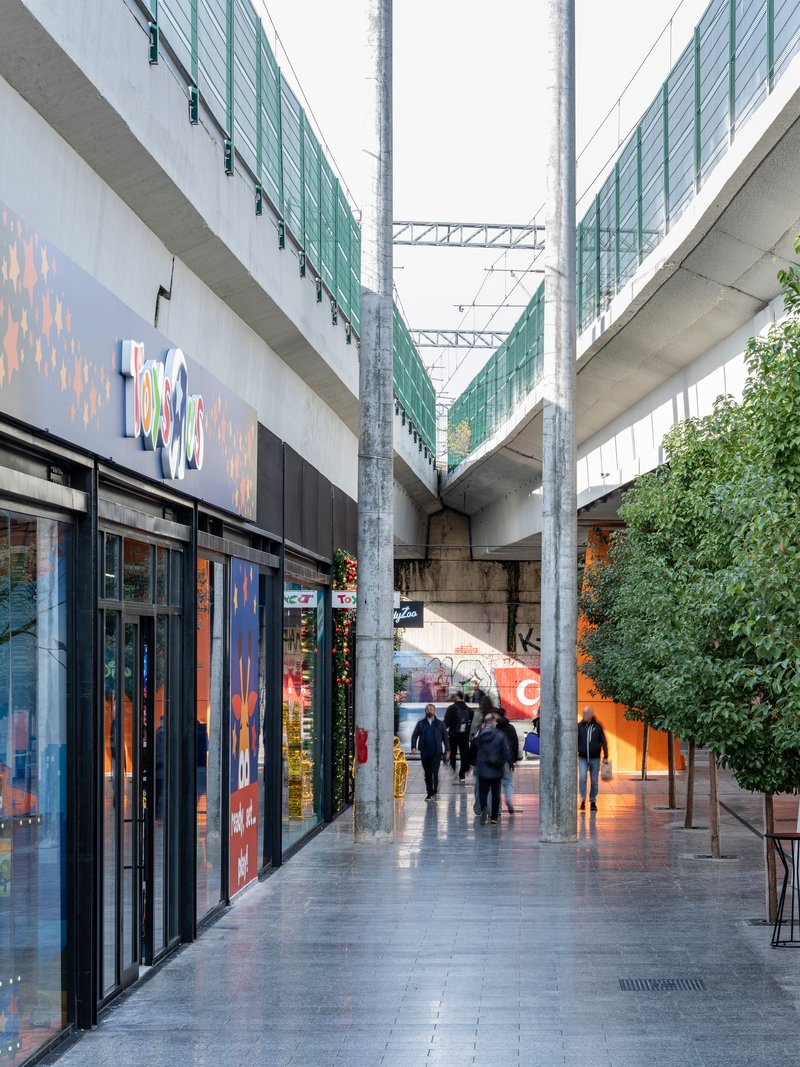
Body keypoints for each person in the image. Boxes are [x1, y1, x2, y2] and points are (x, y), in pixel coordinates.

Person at [473, 712, 510, 824]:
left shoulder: (480, 734)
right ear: (493, 722)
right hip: (496, 770)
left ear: (485, 723)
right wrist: (506, 761)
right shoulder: (500, 735)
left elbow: (473, 742)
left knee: (483, 792)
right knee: (495, 793)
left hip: (483, 769)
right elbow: (506, 752)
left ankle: (484, 807)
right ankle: (494, 817)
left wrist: (480, 730)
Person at [411, 703, 450, 801]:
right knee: (427, 774)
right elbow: (414, 735)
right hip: (425, 752)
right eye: (427, 709)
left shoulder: (440, 724)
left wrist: (447, 750)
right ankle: (429, 793)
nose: (429, 711)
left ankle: (435, 792)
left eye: (431, 709)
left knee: (435, 773)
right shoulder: (421, 723)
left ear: (434, 711)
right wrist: (413, 747)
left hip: (436, 752)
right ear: (425, 711)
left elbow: (445, 738)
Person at [577, 704, 609, 812]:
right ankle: (583, 800)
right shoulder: (579, 726)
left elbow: (604, 741)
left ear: (591, 714)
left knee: (594, 781)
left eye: (586, 713)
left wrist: (606, 755)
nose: (584, 715)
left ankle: (593, 801)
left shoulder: (598, 727)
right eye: (583, 713)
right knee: (582, 778)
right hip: (582, 758)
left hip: (595, 758)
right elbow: (575, 741)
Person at [495, 706, 519, 814]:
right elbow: (515, 744)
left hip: (495, 759)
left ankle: (498, 808)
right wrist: (513, 759)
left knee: (497, 784)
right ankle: (509, 800)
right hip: (506, 759)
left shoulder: (494, 727)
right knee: (508, 781)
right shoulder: (510, 727)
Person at [444, 691, 472, 784]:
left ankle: (454, 774)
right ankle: (462, 775)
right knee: (465, 755)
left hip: (453, 735)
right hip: (464, 736)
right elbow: (472, 725)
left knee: (452, 755)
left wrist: (442, 734)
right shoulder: (469, 710)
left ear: (457, 697)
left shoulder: (451, 708)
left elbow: (446, 723)